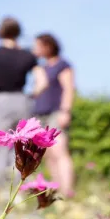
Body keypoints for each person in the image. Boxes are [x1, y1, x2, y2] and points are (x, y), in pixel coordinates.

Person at [0, 17, 48, 186]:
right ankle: (16, 187)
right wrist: (31, 96)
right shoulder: (28, 56)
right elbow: (42, 82)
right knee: (22, 146)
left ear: (0, 32)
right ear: (18, 33)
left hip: (0, 100)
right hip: (23, 102)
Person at [32, 33, 76, 197]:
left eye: (37, 45)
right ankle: (56, 191)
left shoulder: (63, 65)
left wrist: (65, 111)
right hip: (40, 113)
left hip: (55, 112)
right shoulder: (42, 68)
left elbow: (69, 88)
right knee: (49, 154)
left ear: (48, 46)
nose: (34, 49)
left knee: (60, 151)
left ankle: (67, 190)